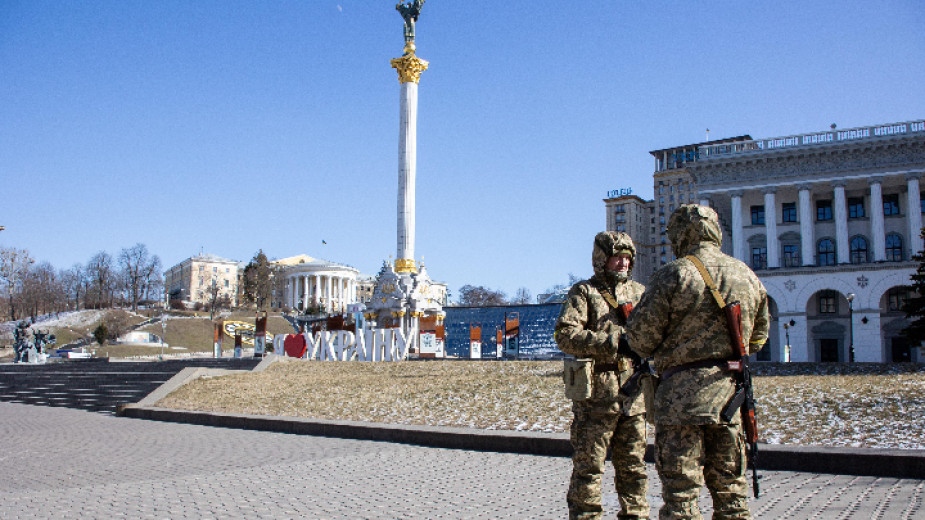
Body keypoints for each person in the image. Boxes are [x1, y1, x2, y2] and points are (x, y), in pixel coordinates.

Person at [626, 204, 769, 520]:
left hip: (681, 403)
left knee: (681, 498)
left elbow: (640, 340)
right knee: (732, 495)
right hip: (731, 398)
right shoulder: (746, 274)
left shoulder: (673, 275)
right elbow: (757, 339)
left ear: (679, 233)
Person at [555, 231, 649, 520]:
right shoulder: (585, 292)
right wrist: (612, 342)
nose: (623, 263)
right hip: (597, 397)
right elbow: (565, 335)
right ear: (602, 259)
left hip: (634, 396)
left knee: (634, 470)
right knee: (589, 469)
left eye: (627, 258)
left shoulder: (641, 293)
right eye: (617, 257)